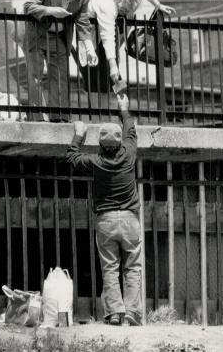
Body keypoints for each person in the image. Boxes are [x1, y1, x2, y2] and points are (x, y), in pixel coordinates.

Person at [66, 94, 142, 326]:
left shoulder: (95, 162)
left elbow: (71, 157)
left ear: (100, 144)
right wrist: (124, 109)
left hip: (106, 220)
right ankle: (132, 312)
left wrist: (79, 134)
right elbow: (131, 131)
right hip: (130, 219)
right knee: (133, 267)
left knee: (110, 268)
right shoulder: (129, 154)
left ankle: (114, 313)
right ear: (119, 143)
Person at [23, 0, 98, 122]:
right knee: (35, 77)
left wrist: (89, 48)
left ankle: (59, 118)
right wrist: (51, 11)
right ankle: (37, 119)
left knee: (60, 77)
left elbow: (83, 21)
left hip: (59, 38)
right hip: (38, 35)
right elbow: (28, 6)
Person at [81, 0, 176, 93]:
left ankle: (118, 94)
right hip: (90, 29)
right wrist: (113, 65)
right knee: (97, 75)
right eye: (125, 10)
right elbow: (107, 36)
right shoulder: (108, 6)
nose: (127, 12)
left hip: (107, 31)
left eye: (130, 11)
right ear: (120, 0)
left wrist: (158, 5)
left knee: (113, 69)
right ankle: (105, 102)